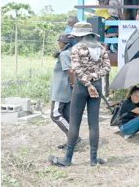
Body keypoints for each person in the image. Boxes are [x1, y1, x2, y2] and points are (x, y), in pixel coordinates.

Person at [48, 22, 111, 167]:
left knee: (75, 123)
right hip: (97, 86)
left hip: (81, 87)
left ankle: (67, 159)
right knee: (93, 124)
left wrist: (87, 84)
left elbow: (76, 69)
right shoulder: (100, 48)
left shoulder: (77, 48)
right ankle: (93, 160)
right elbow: (107, 68)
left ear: (80, 36)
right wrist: (94, 77)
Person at [50, 33, 80, 149]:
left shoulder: (64, 54)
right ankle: (72, 142)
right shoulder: (72, 53)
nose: (58, 44)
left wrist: (73, 83)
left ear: (63, 43)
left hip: (61, 90)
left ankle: (74, 137)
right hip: (66, 89)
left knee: (55, 114)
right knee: (67, 116)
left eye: (59, 42)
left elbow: (70, 72)